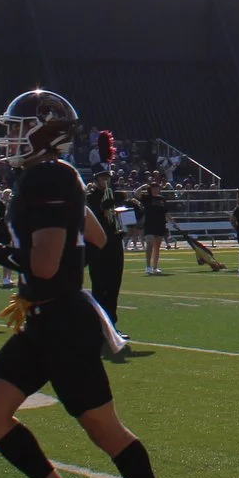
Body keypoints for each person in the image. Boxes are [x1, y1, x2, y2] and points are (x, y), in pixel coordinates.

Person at [0, 89, 188, 478]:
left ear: (44, 131)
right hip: (42, 318)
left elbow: (43, 265)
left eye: (18, 128)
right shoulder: (49, 178)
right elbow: (97, 236)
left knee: (105, 430)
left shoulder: (48, 181)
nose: (9, 137)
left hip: (63, 324)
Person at [85, 133, 131, 335]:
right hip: (98, 248)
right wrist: (103, 206)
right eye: (102, 178)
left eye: (108, 178)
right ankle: (98, 326)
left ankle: (111, 326)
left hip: (115, 245)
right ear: (95, 179)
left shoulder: (117, 195)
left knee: (114, 287)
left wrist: (133, 204)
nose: (106, 181)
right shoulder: (90, 198)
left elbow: (132, 217)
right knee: (100, 288)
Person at [138, 179, 172, 277]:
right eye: (154, 188)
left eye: (157, 188)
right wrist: (142, 186)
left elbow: (166, 212)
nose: (156, 189)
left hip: (160, 224)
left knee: (157, 246)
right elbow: (136, 193)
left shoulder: (162, 199)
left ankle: (155, 267)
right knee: (150, 244)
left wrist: (173, 221)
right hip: (149, 224)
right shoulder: (146, 198)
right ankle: (148, 266)